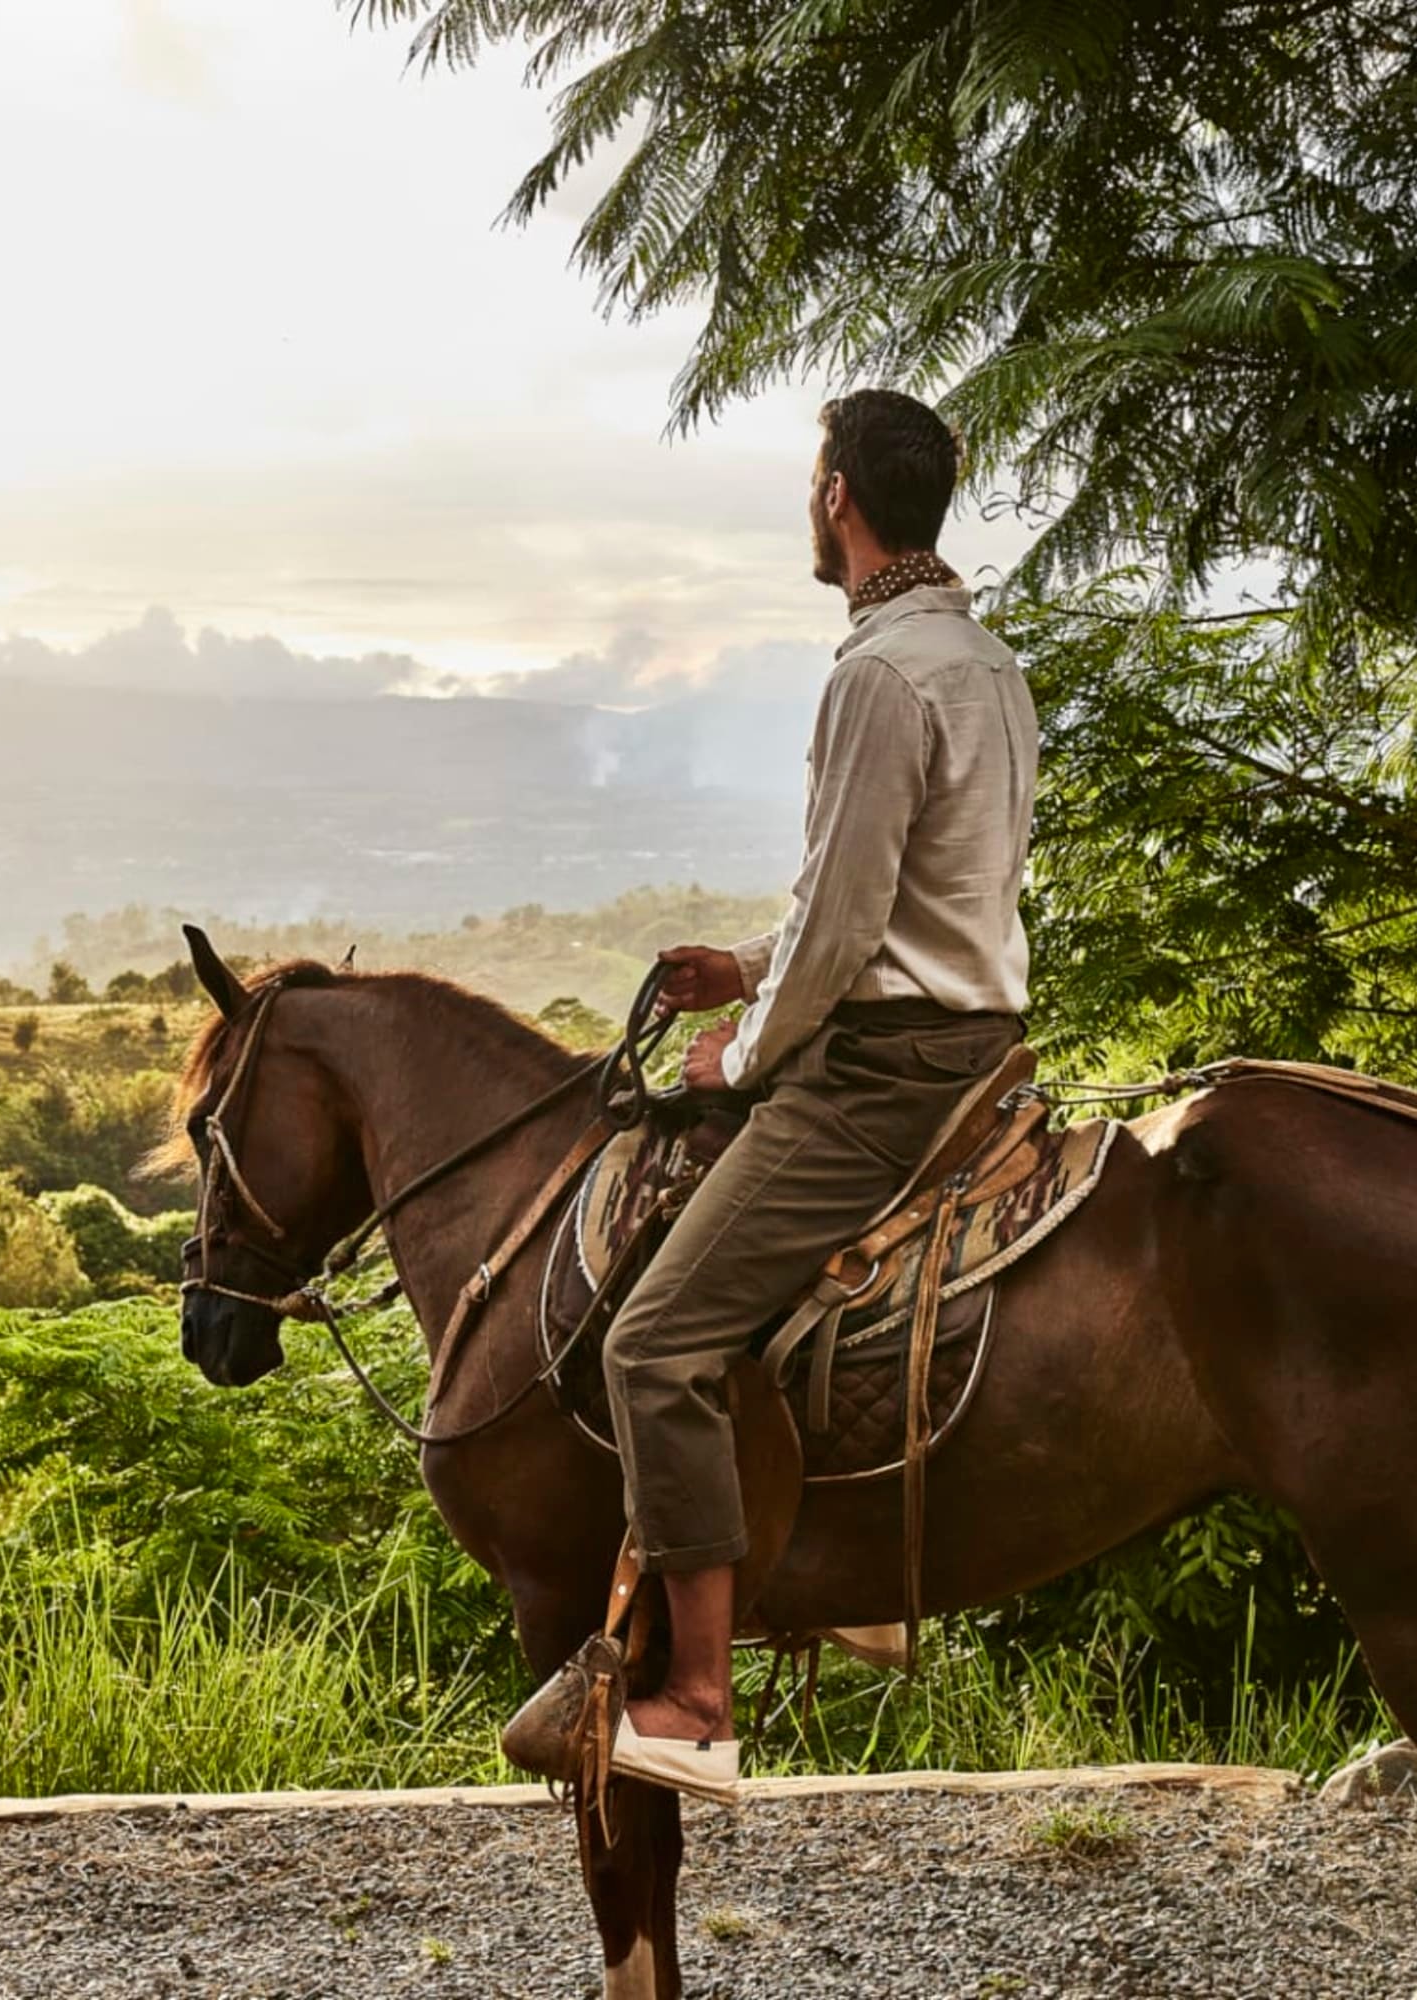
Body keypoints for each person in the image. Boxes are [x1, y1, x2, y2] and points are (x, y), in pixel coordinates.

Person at [599, 388, 1039, 1802]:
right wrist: (743, 965)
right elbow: (898, 898)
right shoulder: (987, 664)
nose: (810, 500)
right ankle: (827, 1578)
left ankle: (699, 1694)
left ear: (839, 495)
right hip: (975, 1042)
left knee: (653, 1342)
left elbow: (850, 929)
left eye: (810, 480)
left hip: (878, 1077)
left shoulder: (874, 677)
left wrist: (748, 1048)